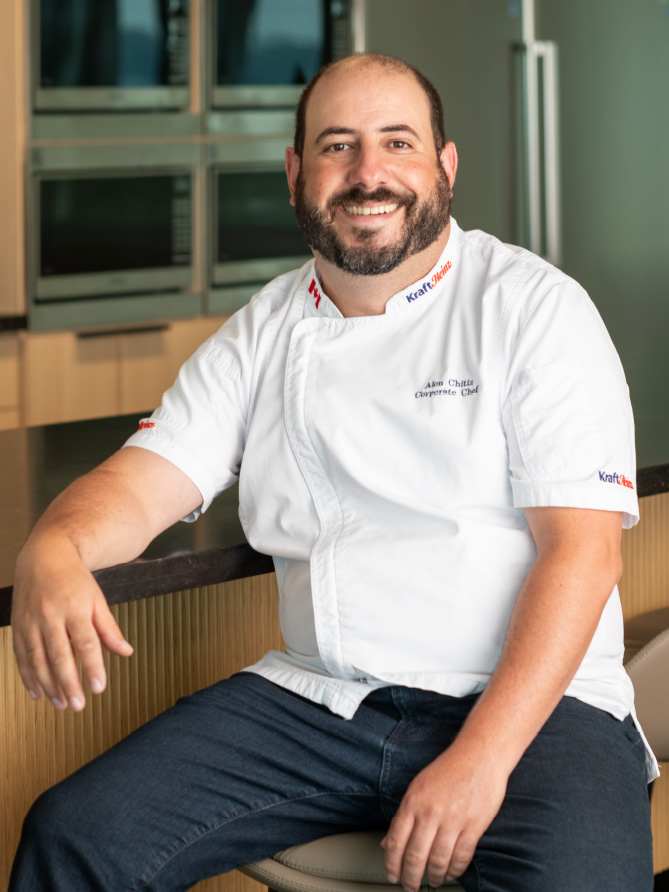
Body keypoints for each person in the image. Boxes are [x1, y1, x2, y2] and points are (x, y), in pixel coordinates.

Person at [8, 53, 659, 892]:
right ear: (295, 173)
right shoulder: (264, 330)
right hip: (322, 703)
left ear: (444, 167)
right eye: (336, 147)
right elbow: (143, 481)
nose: (367, 174)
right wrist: (54, 547)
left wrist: (479, 760)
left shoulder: (532, 308)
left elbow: (582, 554)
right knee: (78, 837)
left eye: (396, 143)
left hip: (538, 709)